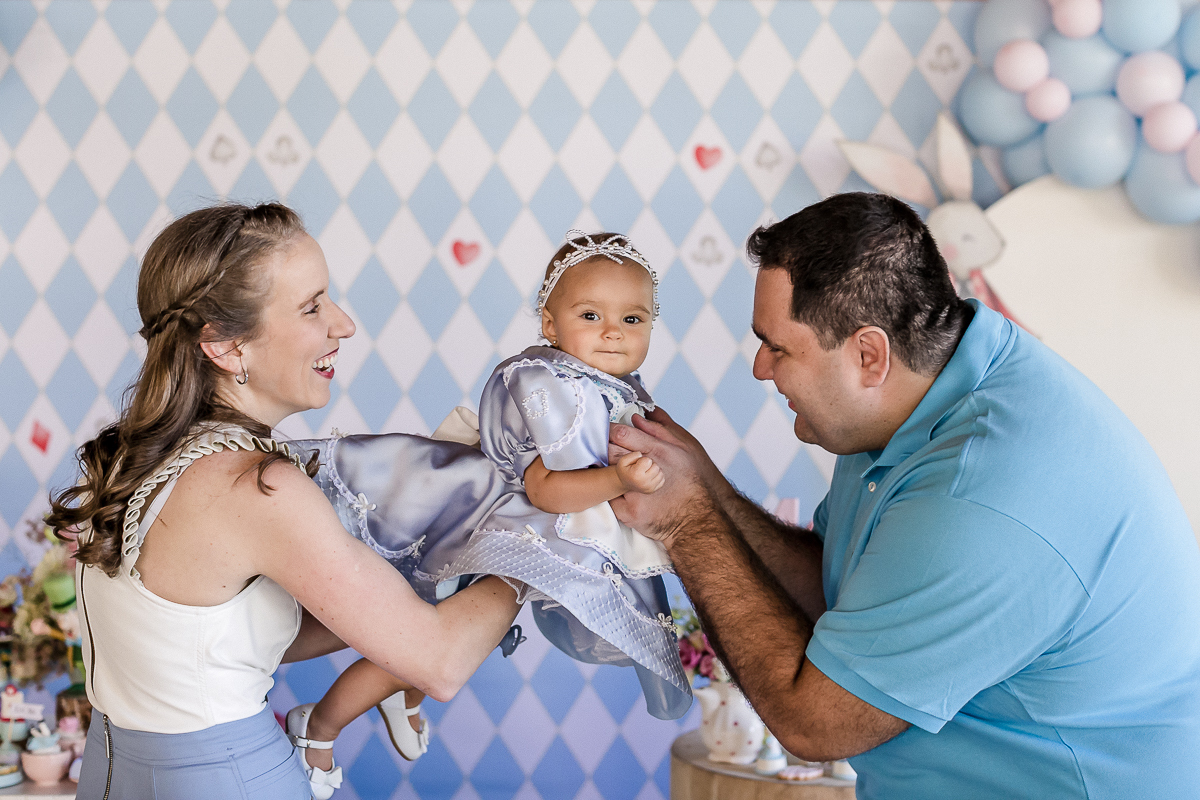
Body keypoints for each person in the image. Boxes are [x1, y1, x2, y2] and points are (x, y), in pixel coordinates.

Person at [608, 193, 1200, 799]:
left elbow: (814, 723)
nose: (761, 367)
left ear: (869, 354)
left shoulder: (980, 497)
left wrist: (689, 524)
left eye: (778, 346)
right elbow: (852, 601)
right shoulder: (911, 400)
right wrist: (709, 490)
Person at [46, 203, 522, 800]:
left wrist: (424, 564)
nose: (343, 324)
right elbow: (443, 665)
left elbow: (226, 642)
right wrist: (534, 546)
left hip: (111, 775)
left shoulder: (129, 457)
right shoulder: (256, 488)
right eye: (312, 306)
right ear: (223, 345)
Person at [290, 231, 691, 779]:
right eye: (592, 315)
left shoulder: (611, 386)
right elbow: (547, 489)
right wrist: (618, 478)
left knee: (444, 626)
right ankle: (319, 726)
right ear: (550, 324)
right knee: (423, 635)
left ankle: (403, 697)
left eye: (633, 319)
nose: (613, 335)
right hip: (486, 521)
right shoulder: (545, 381)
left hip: (517, 536)